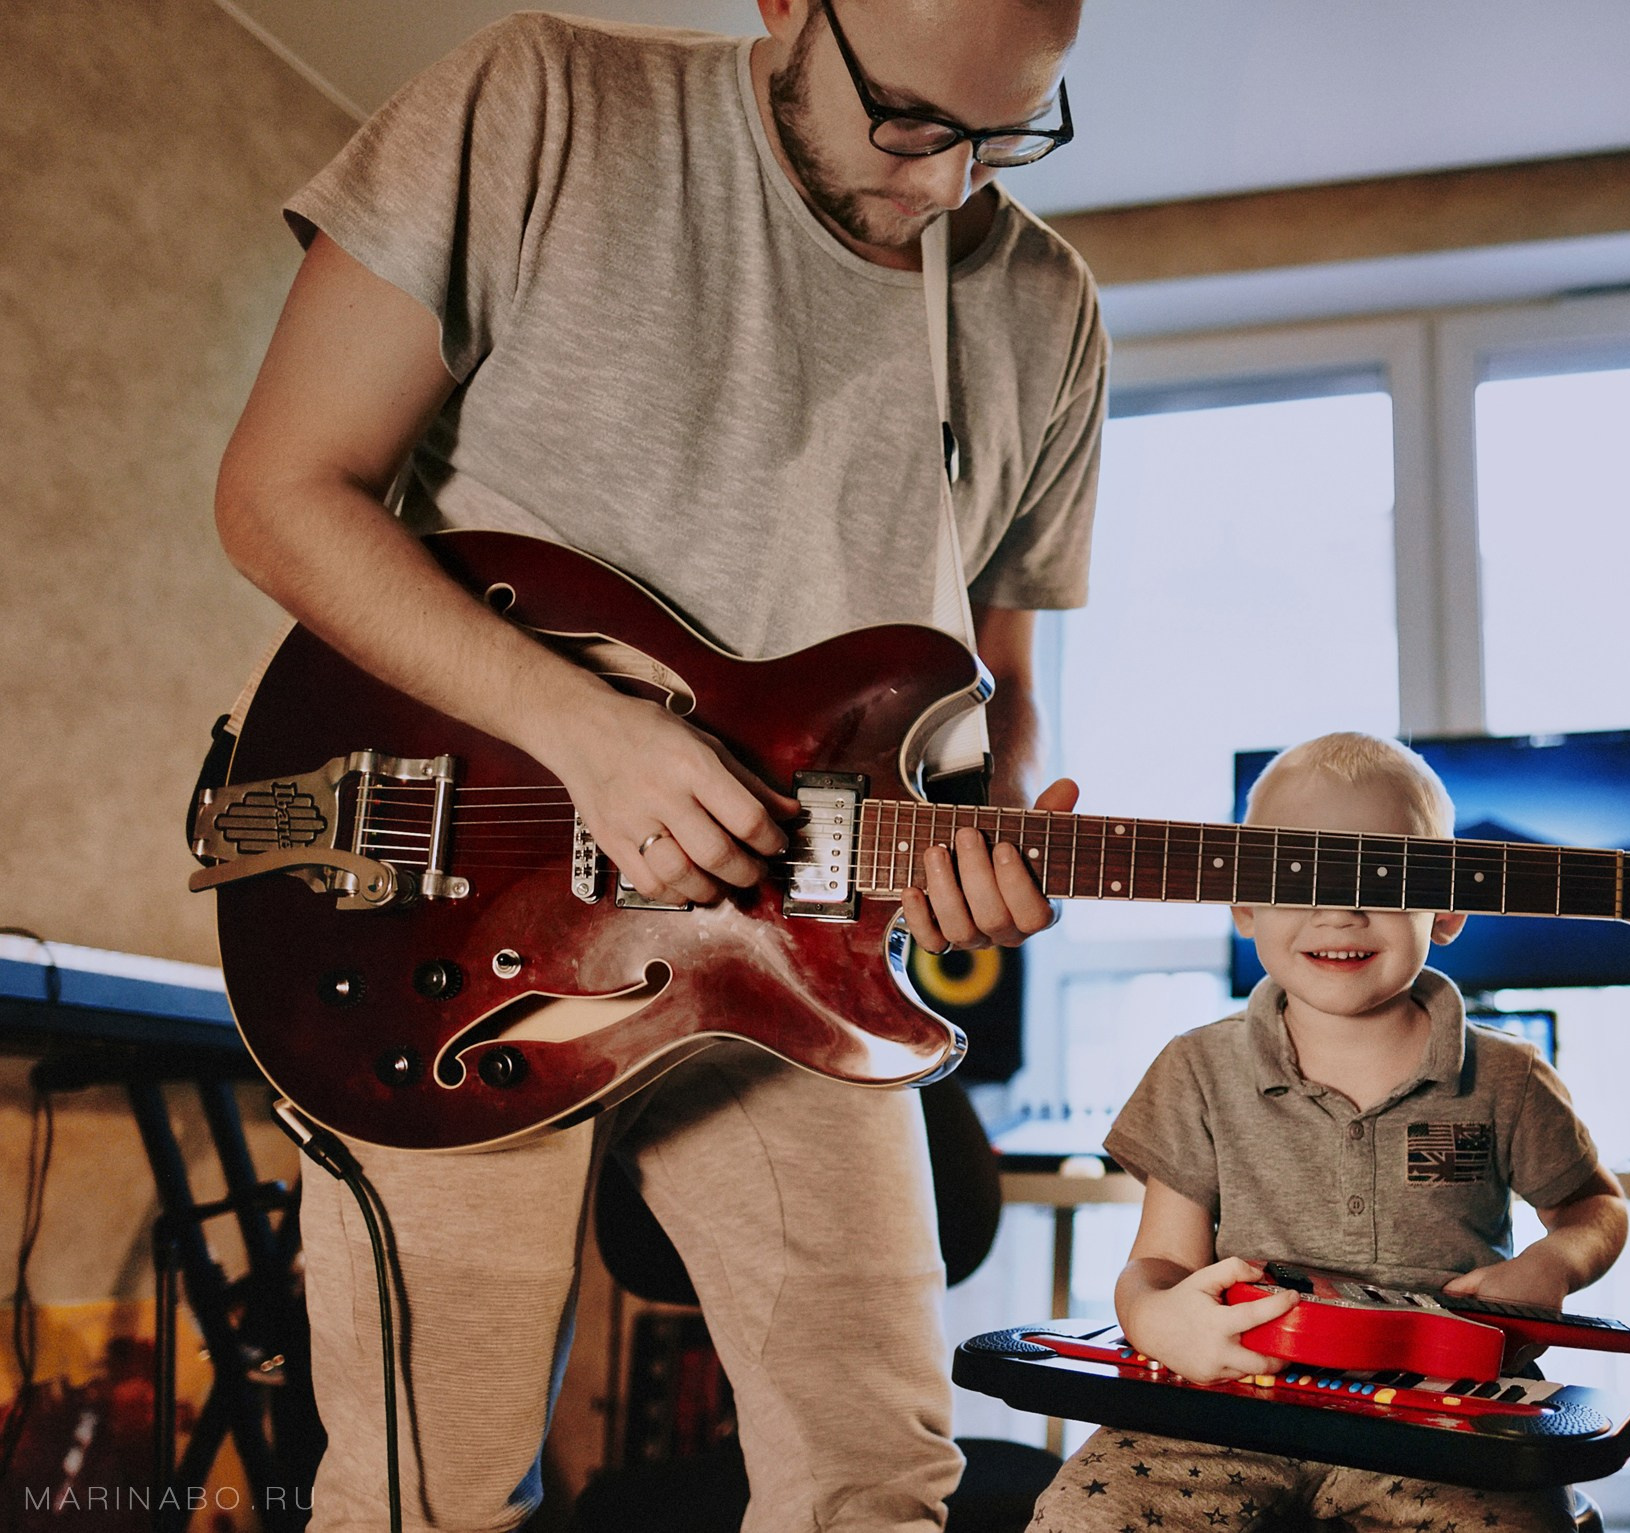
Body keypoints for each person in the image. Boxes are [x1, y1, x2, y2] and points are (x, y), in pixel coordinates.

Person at [211, 2, 1103, 1529]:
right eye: (907, 120)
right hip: (453, 914)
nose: (948, 185)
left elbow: (996, 686)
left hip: (807, 954)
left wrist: (985, 830)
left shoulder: (1047, 305)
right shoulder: (542, 101)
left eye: (1006, 131)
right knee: (421, 1499)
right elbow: (281, 493)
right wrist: (587, 732)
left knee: (878, 1485)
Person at [1031, 734, 1630, 1533]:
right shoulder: (1196, 1068)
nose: (1338, 911)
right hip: (1226, 1407)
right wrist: (1160, 1319)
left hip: (1442, 1422)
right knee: (1084, 1516)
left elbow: (1596, 1205)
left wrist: (1553, 1263)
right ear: (1243, 905)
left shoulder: (1507, 1077)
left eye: (1385, 879)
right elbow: (1159, 1262)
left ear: (1447, 906)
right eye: (1293, 878)